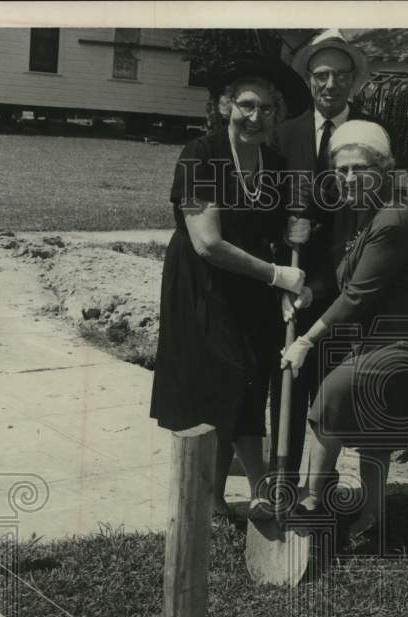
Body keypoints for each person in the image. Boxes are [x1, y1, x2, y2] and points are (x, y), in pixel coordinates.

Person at [149, 56, 310, 520]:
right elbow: (207, 243)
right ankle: (217, 498)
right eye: (246, 104)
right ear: (226, 106)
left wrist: (293, 240)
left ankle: (228, 498)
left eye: (266, 109)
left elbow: (278, 231)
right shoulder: (199, 155)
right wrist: (277, 275)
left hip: (250, 289)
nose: (255, 117)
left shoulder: (275, 164)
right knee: (213, 384)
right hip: (202, 287)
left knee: (246, 385)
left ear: (277, 116)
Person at [280, 121, 408, 541]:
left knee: (333, 393)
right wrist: (308, 293)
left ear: (383, 171)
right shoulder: (359, 216)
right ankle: (372, 517)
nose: (349, 178)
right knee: (377, 426)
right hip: (378, 330)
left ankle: (313, 502)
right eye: (342, 170)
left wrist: (305, 340)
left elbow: (356, 297)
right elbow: (341, 280)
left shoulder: (392, 219)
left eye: (359, 169)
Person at [268, 28, 380, 492]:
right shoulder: (284, 133)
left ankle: (321, 490)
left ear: (354, 80)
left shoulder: (370, 136)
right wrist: (283, 241)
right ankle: (282, 483)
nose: (329, 84)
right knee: (287, 388)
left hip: (345, 289)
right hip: (292, 288)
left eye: (339, 75)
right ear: (309, 80)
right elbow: (267, 208)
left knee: (330, 397)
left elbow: (378, 213)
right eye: (320, 75)